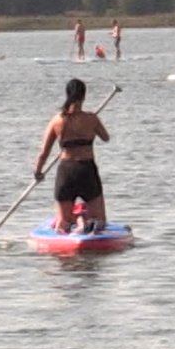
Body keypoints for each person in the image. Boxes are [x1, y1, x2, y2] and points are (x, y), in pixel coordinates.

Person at [34, 78, 111, 234]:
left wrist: (38, 172)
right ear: (84, 96)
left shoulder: (57, 120)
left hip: (67, 170)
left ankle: (78, 222)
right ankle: (84, 222)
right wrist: (93, 123)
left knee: (63, 222)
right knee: (101, 221)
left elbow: (44, 152)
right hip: (87, 169)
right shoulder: (91, 119)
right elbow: (106, 137)